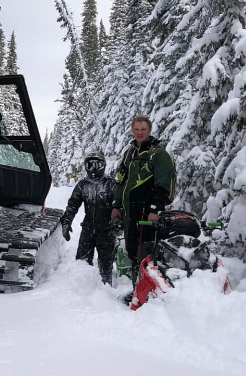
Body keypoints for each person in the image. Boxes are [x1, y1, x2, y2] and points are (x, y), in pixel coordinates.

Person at [111, 115, 176, 283]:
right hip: (129, 213)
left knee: (147, 251)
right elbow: (120, 180)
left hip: (147, 215)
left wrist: (154, 209)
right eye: (136, 129)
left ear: (149, 131)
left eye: (143, 129)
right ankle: (136, 286)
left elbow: (164, 185)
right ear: (132, 130)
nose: (139, 133)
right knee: (132, 250)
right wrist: (116, 205)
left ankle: (150, 291)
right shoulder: (129, 154)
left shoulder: (159, 155)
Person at [59, 151, 116, 283]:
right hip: (88, 229)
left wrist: (120, 223)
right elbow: (72, 205)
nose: (93, 169)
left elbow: (120, 206)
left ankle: (106, 296)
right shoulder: (82, 185)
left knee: (106, 268)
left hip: (107, 230)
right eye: (89, 165)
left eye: (96, 165)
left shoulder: (111, 184)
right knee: (81, 265)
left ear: (103, 165)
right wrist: (67, 221)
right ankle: (80, 293)